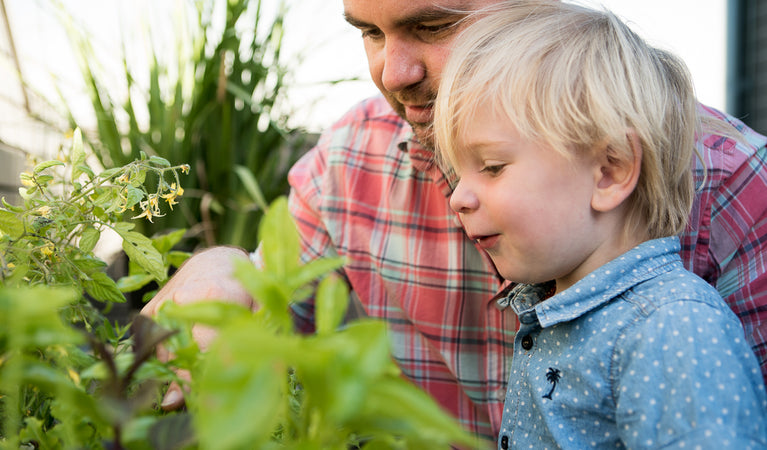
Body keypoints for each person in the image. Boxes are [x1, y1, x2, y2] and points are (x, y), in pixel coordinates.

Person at [142, 0, 767, 440]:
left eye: (434, 23)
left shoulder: (734, 187)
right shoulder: (350, 159)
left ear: (609, 171)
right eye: (370, 32)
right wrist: (221, 274)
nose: (394, 72)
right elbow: (269, 300)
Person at [432, 1, 767, 447]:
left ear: (611, 171)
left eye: (492, 167)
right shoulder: (566, 307)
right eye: (459, 173)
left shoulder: (672, 329)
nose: (458, 198)